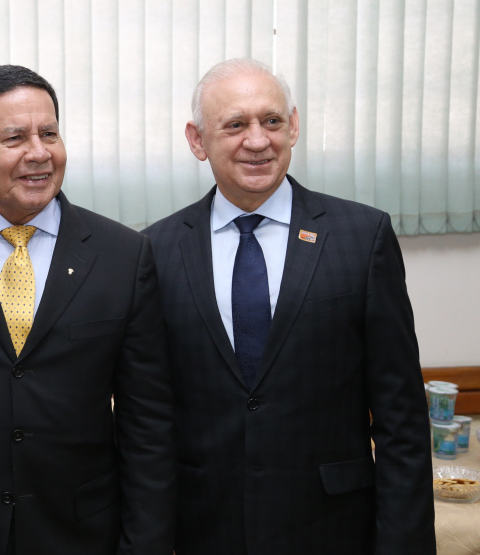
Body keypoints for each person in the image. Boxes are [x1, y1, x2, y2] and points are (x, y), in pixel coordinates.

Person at [143, 58, 435, 554]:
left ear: (293, 126)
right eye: (235, 124)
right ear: (197, 140)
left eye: (272, 121)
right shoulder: (154, 250)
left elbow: (401, 418)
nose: (257, 141)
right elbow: (147, 418)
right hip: (203, 529)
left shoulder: (362, 238)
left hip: (334, 527)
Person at [0, 65, 175, 554]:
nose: (39, 153)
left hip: (79, 531)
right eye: (14, 137)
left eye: (49, 133)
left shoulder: (123, 255)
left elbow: (146, 421)